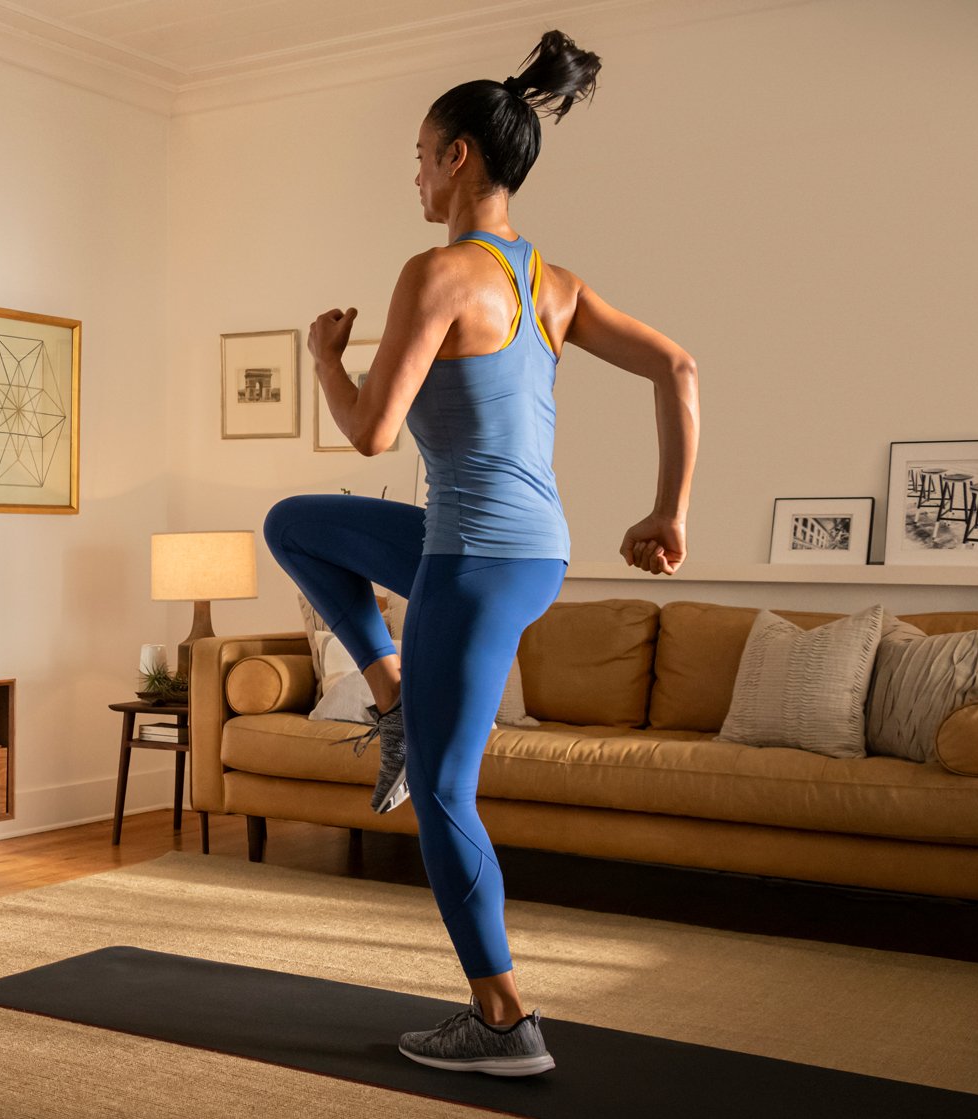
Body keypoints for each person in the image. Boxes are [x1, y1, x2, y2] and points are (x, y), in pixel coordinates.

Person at [263, 30, 699, 1077]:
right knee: (294, 524)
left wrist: (324, 358)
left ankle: (503, 1020)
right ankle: (390, 695)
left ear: (458, 157)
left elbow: (370, 431)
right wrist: (667, 514)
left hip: (471, 558)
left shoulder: (437, 273)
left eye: (421, 155)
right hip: (532, 554)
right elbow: (678, 367)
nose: (414, 174)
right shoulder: (553, 282)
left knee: (446, 794)